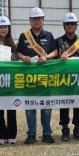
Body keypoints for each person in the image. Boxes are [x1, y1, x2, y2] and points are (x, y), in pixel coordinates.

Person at [17, 7, 58, 145]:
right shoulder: (24, 36)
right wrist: (24, 57)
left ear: (43, 20)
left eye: (39, 19)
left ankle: (47, 133)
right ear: (30, 21)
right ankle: (31, 134)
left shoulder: (49, 36)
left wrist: (46, 57)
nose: (37, 21)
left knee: (46, 107)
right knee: (30, 108)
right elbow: (18, 53)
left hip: (45, 77)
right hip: (29, 77)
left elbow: (55, 51)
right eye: (34, 19)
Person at [56, 12, 79, 142]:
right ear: (64, 26)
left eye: (72, 24)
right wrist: (60, 57)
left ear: (76, 26)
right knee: (64, 103)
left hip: (78, 78)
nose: (70, 26)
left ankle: (77, 129)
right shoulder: (58, 41)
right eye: (68, 24)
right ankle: (64, 129)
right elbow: (52, 57)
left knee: (78, 104)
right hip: (63, 78)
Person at [0, 16, 18, 145]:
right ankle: (0, 135)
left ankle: (11, 134)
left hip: (10, 80)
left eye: (5, 27)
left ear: (9, 28)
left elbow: (16, 61)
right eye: (1, 27)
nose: (3, 29)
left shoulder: (13, 44)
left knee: (11, 108)